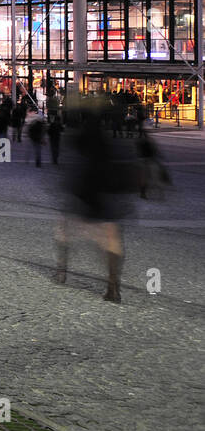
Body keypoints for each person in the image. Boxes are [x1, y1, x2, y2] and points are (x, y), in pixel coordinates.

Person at [54, 111, 133, 302]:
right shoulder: (109, 144)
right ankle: (113, 287)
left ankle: (61, 272)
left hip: (85, 196)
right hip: (107, 199)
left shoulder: (81, 140)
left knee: (62, 230)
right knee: (111, 240)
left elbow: (72, 164)